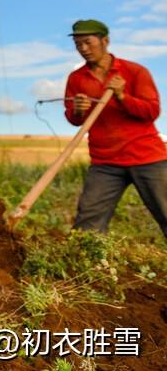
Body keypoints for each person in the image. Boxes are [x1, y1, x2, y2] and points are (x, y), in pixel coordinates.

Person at [64, 19, 166, 239]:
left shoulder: (135, 72)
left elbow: (152, 111)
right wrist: (78, 110)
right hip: (105, 162)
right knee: (88, 222)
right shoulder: (76, 78)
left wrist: (121, 96)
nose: (83, 49)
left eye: (88, 42)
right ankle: (87, 270)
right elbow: (74, 120)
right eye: (78, 44)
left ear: (105, 41)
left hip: (147, 157)